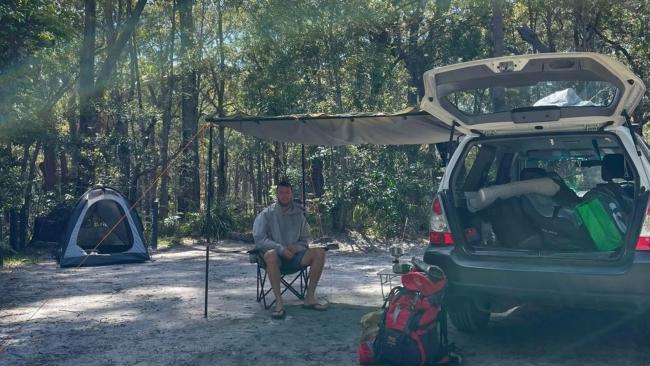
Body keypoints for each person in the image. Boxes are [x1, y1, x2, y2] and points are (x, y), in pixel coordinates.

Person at [253, 180, 327, 318]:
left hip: (295, 256)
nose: (284, 195)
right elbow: (259, 240)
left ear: (291, 194)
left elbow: (305, 240)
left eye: (287, 192)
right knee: (270, 255)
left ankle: (310, 297)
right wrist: (280, 249)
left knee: (319, 252)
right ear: (277, 194)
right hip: (275, 259)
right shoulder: (266, 214)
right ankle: (279, 303)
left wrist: (295, 247)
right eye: (281, 192)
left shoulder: (299, 214)